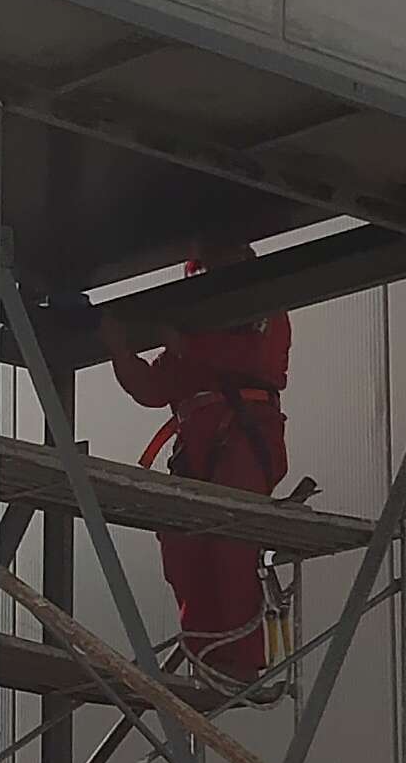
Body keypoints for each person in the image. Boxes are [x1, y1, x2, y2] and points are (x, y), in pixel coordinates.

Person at [108, 248, 292, 686]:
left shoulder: (261, 299)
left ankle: (238, 662)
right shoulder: (192, 327)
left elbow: (256, 358)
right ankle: (206, 657)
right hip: (197, 444)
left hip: (244, 434)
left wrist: (185, 344)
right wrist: (119, 350)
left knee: (231, 548)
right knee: (183, 548)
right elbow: (156, 386)